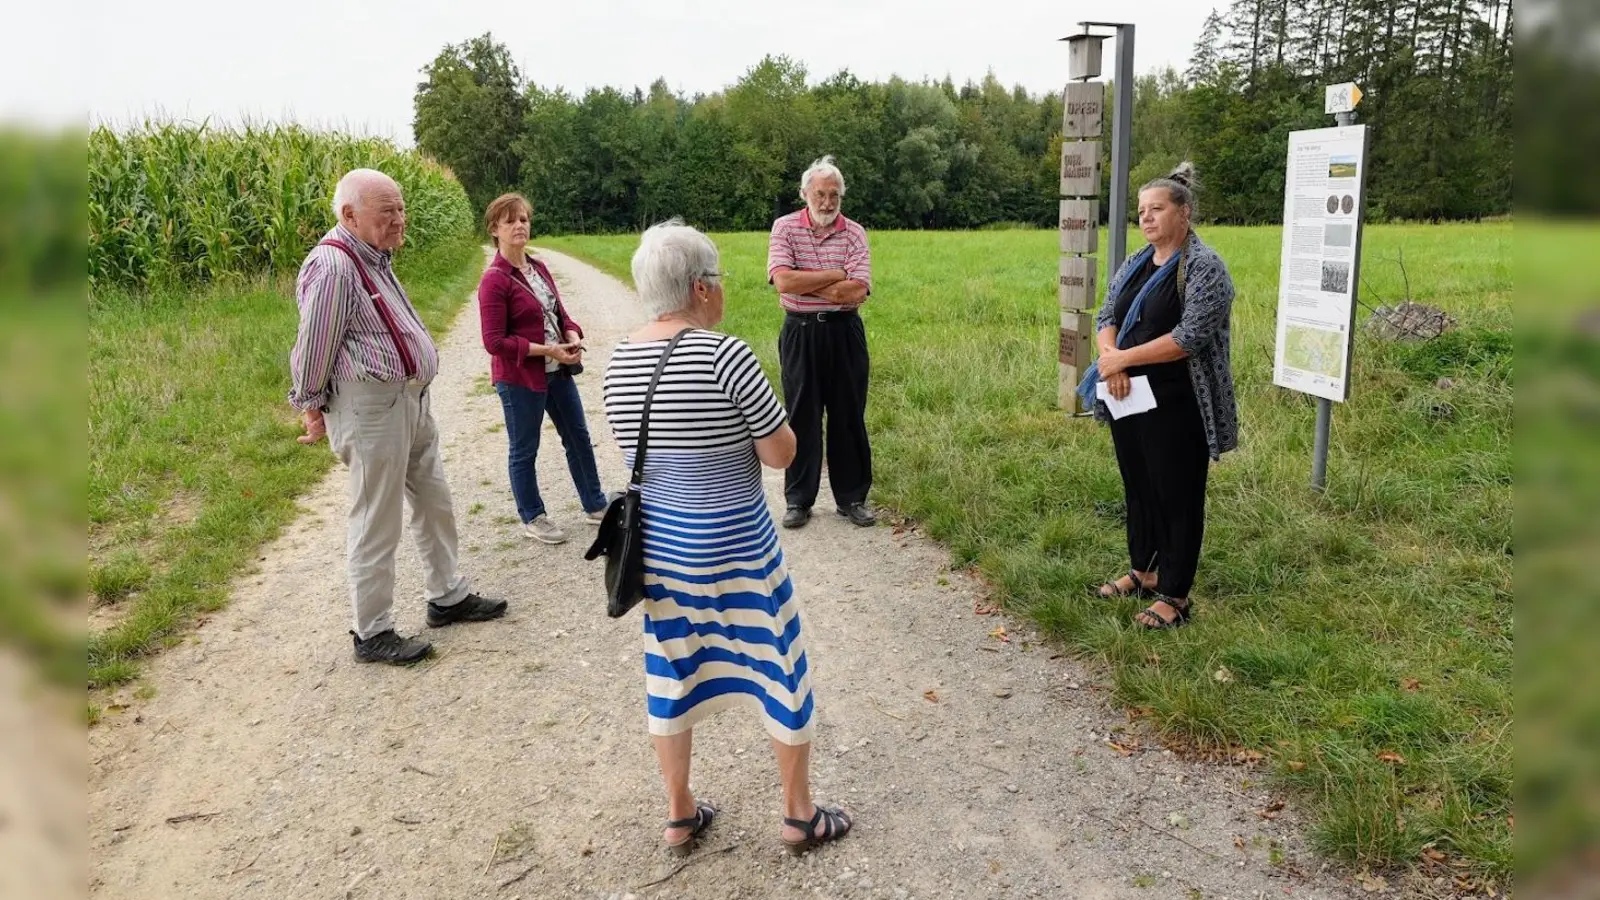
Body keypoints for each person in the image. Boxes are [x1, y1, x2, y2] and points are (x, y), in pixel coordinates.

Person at [602, 220, 853, 856]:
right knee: (780, 667)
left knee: (671, 673)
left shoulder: (619, 361)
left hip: (663, 553)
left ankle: (679, 813)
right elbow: (781, 455)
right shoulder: (726, 355)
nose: (722, 290)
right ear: (699, 288)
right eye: (717, 280)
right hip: (739, 548)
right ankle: (799, 815)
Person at [288, 168, 507, 665]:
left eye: (401, 209)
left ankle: (447, 596)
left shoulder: (373, 256)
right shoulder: (335, 266)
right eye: (387, 211)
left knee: (434, 499)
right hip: (370, 409)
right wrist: (310, 404)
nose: (400, 219)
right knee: (376, 518)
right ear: (350, 215)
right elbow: (314, 345)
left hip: (409, 400)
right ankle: (372, 631)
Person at [1082, 161, 1238, 629]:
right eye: (1141, 211)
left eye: (1157, 209)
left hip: (1179, 401)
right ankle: (1145, 571)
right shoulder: (1135, 262)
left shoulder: (1204, 267)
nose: (1146, 218)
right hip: (1127, 394)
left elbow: (1188, 337)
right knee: (1140, 485)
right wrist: (1111, 359)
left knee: (1177, 493)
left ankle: (1175, 595)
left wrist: (1121, 360)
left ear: (1184, 213)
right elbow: (1106, 315)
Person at [477, 192, 608, 545]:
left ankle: (596, 505)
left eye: (523, 219)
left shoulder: (539, 268)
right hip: (520, 378)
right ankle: (532, 516)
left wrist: (572, 336)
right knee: (525, 448)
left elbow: (560, 314)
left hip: (558, 372)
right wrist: (547, 350)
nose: (519, 226)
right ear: (494, 230)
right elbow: (495, 342)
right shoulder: (494, 280)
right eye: (510, 221)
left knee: (578, 437)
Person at [766, 155, 876, 530]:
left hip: (845, 332)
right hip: (800, 332)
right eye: (820, 194)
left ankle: (852, 498)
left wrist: (805, 280)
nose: (827, 203)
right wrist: (835, 274)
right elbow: (783, 282)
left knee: (848, 415)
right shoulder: (784, 228)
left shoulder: (855, 233)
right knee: (801, 415)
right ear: (804, 194)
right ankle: (798, 499)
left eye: (834, 195)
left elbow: (856, 290)